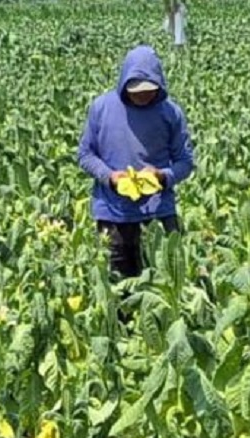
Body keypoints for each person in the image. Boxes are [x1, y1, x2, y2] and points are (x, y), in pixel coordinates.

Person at [78, 45, 195, 280]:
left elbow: (185, 161)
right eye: (135, 90)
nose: (142, 95)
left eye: (148, 90)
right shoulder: (101, 108)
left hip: (158, 212)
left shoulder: (170, 113)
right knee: (117, 286)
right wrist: (109, 176)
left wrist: (162, 176)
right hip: (113, 214)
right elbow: (85, 154)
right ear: (124, 83)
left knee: (166, 282)